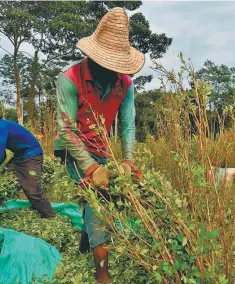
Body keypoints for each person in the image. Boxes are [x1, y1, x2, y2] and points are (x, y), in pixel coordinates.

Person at [54, 7, 143, 283]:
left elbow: (128, 125)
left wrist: (128, 160)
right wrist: (92, 168)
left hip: (100, 148)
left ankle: (86, 238)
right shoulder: (69, 79)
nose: (113, 68)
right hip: (72, 148)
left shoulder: (125, 83)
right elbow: (67, 129)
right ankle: (102, 274)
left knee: (102, 196)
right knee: (99, 200)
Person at [0, 110, 57, 223]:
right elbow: (1, 156)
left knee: (32, 190)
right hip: (19, 156)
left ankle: (50, 218)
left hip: (32, 155)